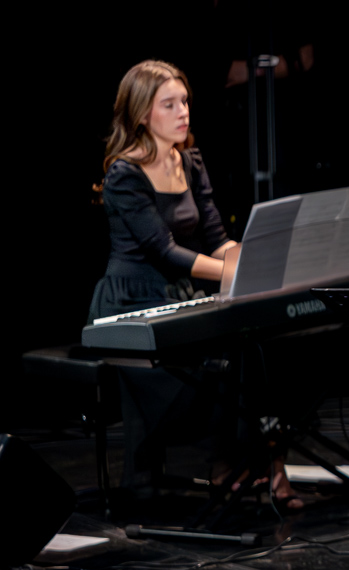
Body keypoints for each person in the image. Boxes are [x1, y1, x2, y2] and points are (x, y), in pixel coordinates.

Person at [88, 60, 301, 509]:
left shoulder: (189, 160)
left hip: (180, 295)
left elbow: (216, 238)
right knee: (212, 368)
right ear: (142, 114)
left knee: (256, 348)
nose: (183, 111)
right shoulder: (125, 174)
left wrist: (257, 260)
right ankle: (227, 465)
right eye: (169, 104)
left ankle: (253, 464)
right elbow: (164, 251)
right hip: (131, 303)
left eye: (184, 101)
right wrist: (232, 273)